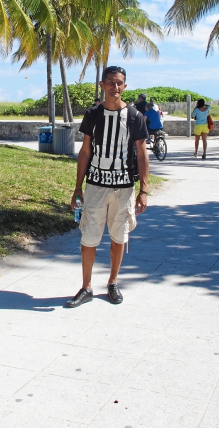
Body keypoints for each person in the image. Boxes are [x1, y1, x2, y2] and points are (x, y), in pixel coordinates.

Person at [68, 66, 150, 308]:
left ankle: (113, 283)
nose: (115, 87)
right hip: (95, 186)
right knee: (89, 237)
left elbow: (142, 154)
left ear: (125, 86)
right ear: (102, 85)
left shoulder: (135, 117)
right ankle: (86, 287)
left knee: (118, 236)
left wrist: (144, 190)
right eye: (111, 82)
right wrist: (78, 187)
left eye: (120, 82)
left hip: (124, 188)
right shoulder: (93, 115)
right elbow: (85, 151)